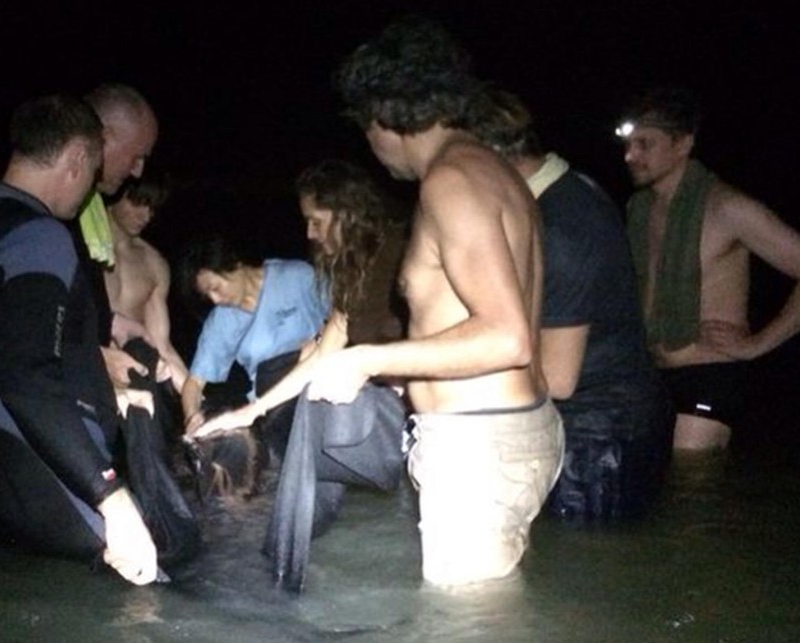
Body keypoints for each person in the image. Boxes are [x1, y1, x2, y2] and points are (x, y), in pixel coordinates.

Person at [312, 18, 564, 587]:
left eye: (365, 128)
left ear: (385, 114)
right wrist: (416, 371)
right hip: (509, 429)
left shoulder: (450, 181)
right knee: (480, 630)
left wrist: (366, 360)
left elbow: (507, 336)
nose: (371, 147)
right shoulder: (498, 173)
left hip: (479, 444)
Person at [0, 94, 161, 585]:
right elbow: (29, 377)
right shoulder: (38, 235)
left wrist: (105, 383)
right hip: (63, 486)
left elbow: (4, 349)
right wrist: (111, 497)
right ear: (77, 159)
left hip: (2, 484)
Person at [192, 159, 410, 591]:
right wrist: (249, 413)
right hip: (361, 405)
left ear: (346, 210)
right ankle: (275, 573)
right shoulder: (350, 270)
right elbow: (322, 355)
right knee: (306, 499)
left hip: (413, 405)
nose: (308, 234)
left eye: (316, 220)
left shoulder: (403, 249)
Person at [469, 90, 674, 520]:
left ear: (486, 158)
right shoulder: (564, 189)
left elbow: (558, 379)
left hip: (597, 441)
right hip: (596, 423)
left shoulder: (562, 224)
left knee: (579, 570)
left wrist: (451, 384)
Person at [617, 87, 800, 451]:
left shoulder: (728, 207)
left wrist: (756, 346)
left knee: (692, 491)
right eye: (627, 144)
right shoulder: (637, 210)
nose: (630, 156)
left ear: (683, 144)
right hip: (650, 374)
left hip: (710, 374)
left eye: (645, 144)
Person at [178, 235, 328, 439]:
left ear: (235, 265)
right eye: (208, 295)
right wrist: (192, 417)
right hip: (270, 403)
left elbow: (344, 320)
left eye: (215, 288)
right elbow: (194, 383)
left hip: (321, 378)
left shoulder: (298, 276)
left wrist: (318, 341)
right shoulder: (221, 321)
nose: (214, 299)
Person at [78, 83, 162, 390]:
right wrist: (97, 357)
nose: (137, 171)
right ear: (105, 137)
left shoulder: (153, 262)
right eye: (136, 156)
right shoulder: (51, 219)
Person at [104, 168, 189, 393]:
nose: (145, 216)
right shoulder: (79, 248)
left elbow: (162, 345)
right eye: (137, 203)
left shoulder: (154, 263)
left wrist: (196, 405)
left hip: (135, 378)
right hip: (87, 373)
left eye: (152, 207)